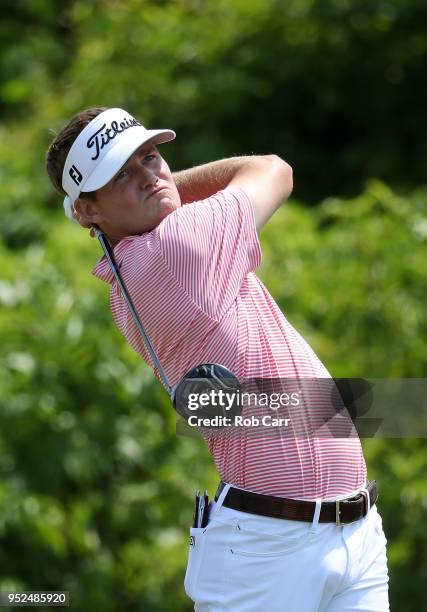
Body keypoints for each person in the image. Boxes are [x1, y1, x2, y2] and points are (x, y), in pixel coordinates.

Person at [46, 106, 390, 611]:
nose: (149, 175)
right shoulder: (172, 250)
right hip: (267, 553)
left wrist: (135, 191)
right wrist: (162, 188)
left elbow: (146, 198)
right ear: (86, 212)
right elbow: (274, 169)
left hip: (354, 532)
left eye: (151, 157)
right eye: (121, 173)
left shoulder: (144, 253)